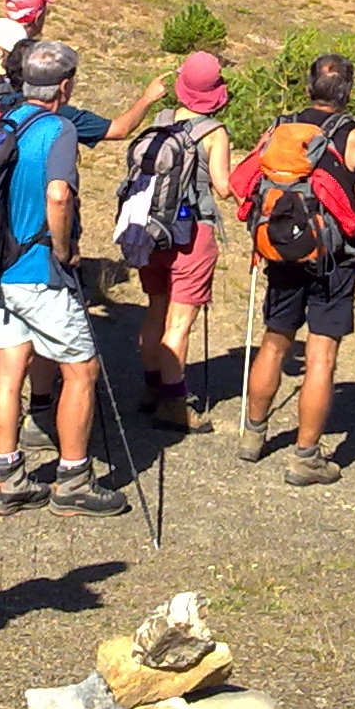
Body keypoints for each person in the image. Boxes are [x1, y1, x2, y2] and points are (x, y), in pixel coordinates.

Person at [237, 53, 355, 485]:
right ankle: (305, 458)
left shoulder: (282, 126)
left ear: (309, 87)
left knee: (275, 342)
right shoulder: (352, 134)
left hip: (282, 248)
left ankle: (252, 436)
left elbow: (243, 180)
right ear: (349, 90)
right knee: (321, 355)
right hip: (333, 258)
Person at [0, 41, 132, 519]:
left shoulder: (4, 121)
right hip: (39, 270)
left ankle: (8, 479)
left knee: (9, 370)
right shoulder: (58, 129)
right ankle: (73, 481)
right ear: (64, 86)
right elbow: (59, 195)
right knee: (81, 371)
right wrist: (64, 250)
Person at [132, 52, 237, 433]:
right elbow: (223, 188)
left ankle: (151, 388)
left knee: (155, 311)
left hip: (150, 231)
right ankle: (174, 404)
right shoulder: (214, 133)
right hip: (192, 234)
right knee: (179, 323)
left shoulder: (161, 121)